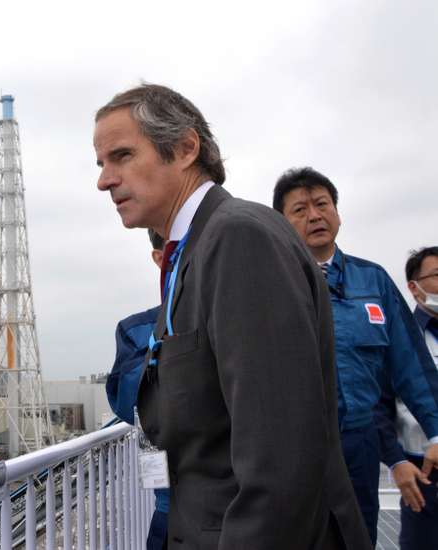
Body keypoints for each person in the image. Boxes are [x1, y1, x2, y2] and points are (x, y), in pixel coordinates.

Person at [93, 84, 369, 549]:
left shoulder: (239, 238)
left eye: (121, 156)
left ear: (184, 148)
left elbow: (279, 459)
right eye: (101, 164)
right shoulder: (194, 250)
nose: (104, 180)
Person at [272, 168, 438, 545]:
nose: (314, 215)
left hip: (359, 441)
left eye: (322, 204)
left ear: (337, 212)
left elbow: (411, 363)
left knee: (359, 534)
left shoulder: (373, 280)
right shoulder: (269, 282)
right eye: (300, 209)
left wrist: (435, 430)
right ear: (282, 223)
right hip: (294, 445)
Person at [105, 229, 166, 549]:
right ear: (160, 258)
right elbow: (127, 402)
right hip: (173, 497)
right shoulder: (138, 330)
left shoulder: (236, 318)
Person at [376, 246, 438, 549]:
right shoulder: (398, 339)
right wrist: (395, 460)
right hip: (425, 475)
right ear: (413, 288)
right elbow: (379, 406)